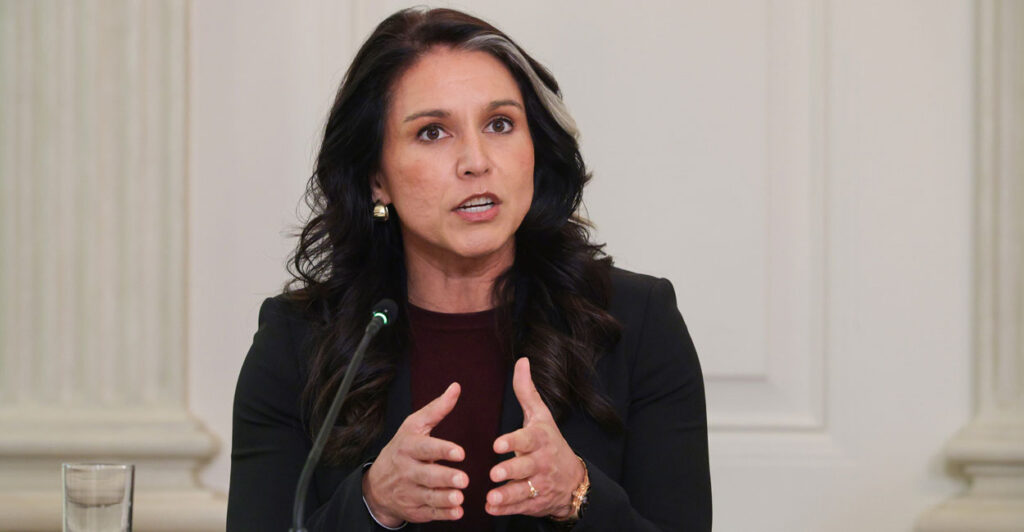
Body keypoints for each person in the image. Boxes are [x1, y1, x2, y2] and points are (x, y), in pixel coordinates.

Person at [227, 7, 711, 532]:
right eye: (433, 132)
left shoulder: (637, 323)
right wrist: (372, 505)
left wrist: (577, 493)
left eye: (500, 124)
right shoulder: (296, 342)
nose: (476, 161)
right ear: (376, 180)